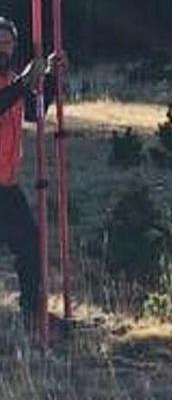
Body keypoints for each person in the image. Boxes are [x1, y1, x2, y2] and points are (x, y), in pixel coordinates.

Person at [0, 16, 65, 333]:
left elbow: (33, 113)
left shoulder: (11, 79)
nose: (4, 50)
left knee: (29, 246)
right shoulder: (13, 83)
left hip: (6, 185)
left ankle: (31, 312)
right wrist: (24, 83)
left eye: (8, 44)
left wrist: (50, 79)